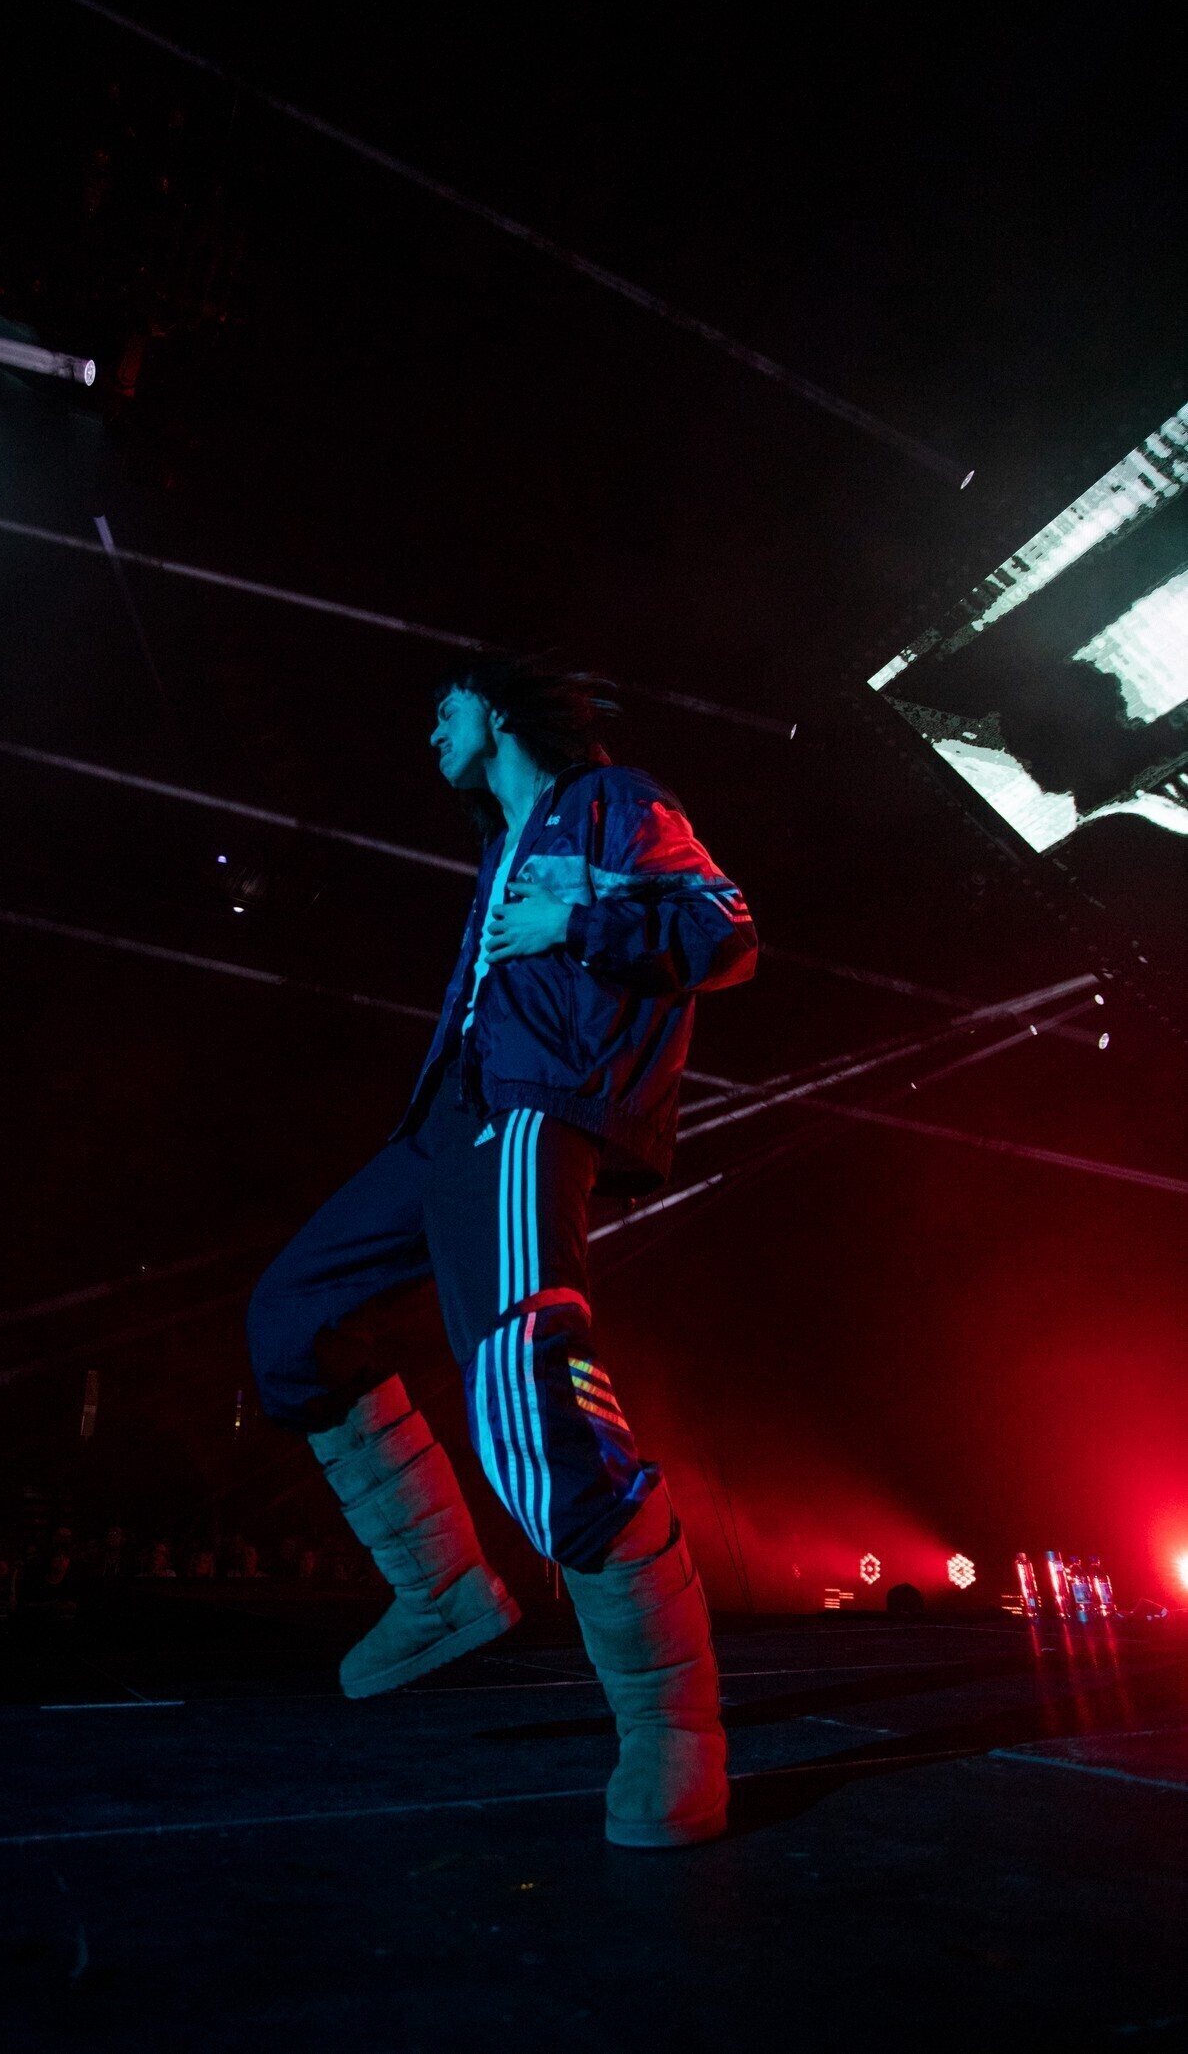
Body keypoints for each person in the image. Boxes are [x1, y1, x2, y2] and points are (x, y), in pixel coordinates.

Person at [247, 654, 756, 1847]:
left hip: (535, 1107)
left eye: (443, 706)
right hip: (448, 1118)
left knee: (528, 1387)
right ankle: (439, 1592)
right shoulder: (499, 844)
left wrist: (579, 918)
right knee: (291, 1321)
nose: (429, 729)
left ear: (496, 708)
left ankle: (672, 1723)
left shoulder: (614, 800)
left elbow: (725, 929)